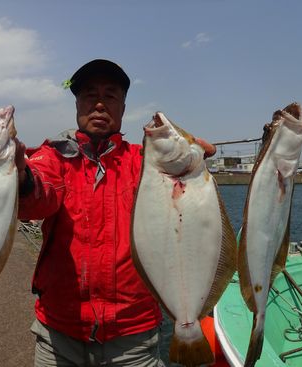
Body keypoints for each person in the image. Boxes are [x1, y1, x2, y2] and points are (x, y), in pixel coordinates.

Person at [15, 59, 216, 366]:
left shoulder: (145, 162)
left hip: (133, 338)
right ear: (77, 105)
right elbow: (37, 199)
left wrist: (194, 169)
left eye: (110, 96)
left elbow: (189, 219)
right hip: (59, 335)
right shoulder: (53, 156)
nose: (99, 104)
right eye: (89, 95)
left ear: (123, 108)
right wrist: (22, 178)